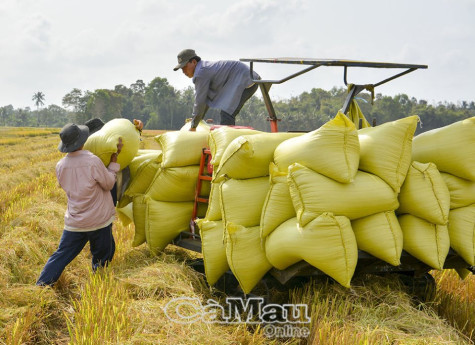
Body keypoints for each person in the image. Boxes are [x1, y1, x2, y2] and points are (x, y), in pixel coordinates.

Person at [36, 123, 123, 286]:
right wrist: (113, 164)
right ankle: (98, 286)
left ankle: (41, 285)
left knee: (61, 255)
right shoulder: (93, 161)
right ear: (83, 142)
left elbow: (64, 186)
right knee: (102, 256)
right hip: (98, 221)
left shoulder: (60, 165)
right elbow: (109, 184)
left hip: (75, 222)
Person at [173, 49, 260, 131]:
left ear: (194, 62)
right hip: (243, 77)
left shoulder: (201, 73)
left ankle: (227, 144)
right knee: (226, 113)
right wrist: (198, 119)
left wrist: (193, 126)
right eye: (182, 68)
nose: (183, 71)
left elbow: (200, 101)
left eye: (184, 67)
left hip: (245, 79)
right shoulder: (203, 70)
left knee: (227, 114)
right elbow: (205, 100)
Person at [84, 117, 144, 206]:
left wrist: (137, 130)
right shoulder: (86, 159)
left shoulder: (112, 148)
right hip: (96, 203)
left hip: (109, 200)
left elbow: (130, 141)